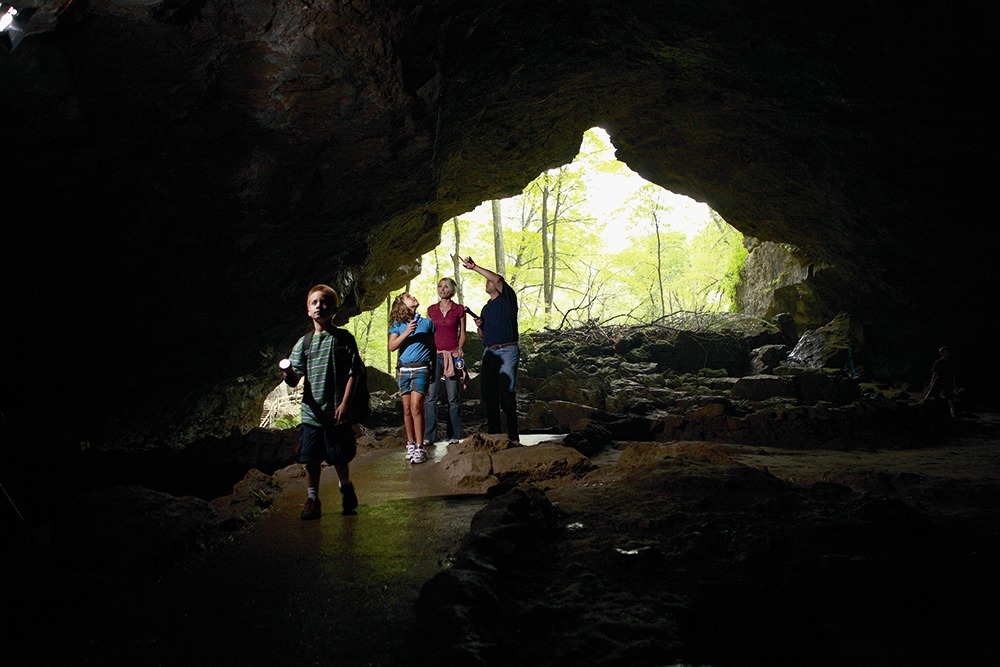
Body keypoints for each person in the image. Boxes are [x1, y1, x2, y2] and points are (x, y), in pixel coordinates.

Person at [281, 285, 362, 520]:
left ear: (334, 310)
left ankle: (345, 486)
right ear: (308, 310)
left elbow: (354, 372)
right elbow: (294, 380)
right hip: (311, 414)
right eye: (314, 302)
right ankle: (313, 499)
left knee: (338, 455)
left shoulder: (343, 339)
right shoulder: (304, 344)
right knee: (311, 458)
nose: (319, 306)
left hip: (336, 411)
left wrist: (345, 404)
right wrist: (288, 375)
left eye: (324, 302)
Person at [460, 256, 520, 442]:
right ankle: (495, 433)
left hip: (507, 350)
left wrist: (475, 267)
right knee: (488, 392)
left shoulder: (507, 299)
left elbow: (497, 279)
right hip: (490, 351)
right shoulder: (486, 308)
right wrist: (479, 326)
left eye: (489, 281)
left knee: (506, 391)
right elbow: (482, 337)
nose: (487, 283)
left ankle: (513, 434)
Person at [388, 292, 436, 464]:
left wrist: (434, 370)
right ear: (401, 304)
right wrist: (407, 332)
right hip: (403, 369)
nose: (413, 297)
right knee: (407, 409)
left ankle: (420, 446)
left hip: (422, 368)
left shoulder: (427, 323)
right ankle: (410, 443)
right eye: (408, 296)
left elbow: (432, 347)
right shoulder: (398, 324)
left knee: (417, 407)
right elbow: (392, 346)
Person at [423, 277, 467, 446]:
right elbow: (428, 332)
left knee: (453, 397)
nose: (442, 289)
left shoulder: (459, 309)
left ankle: (455, 435)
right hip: (434, 356)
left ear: (452, 290)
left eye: (446, 286)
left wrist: (460, 348)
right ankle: (430, 436)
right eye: (440, 286)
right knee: (430, 397)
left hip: (453, 355)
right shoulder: (431, 310)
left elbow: (462, 333)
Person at [923, 345, 957, 418]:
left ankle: (953, 413)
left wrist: (954, 382)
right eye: (946, 352)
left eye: (948, 352)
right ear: (942, 353)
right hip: (939, 379)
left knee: (950, 397)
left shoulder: (950, 362)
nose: (948, 353)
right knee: (933, 394)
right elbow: (935, 372)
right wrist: (932, 381)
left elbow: (953, 373)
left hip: (948, 380)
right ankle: (927, 408)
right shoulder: (938, 362)